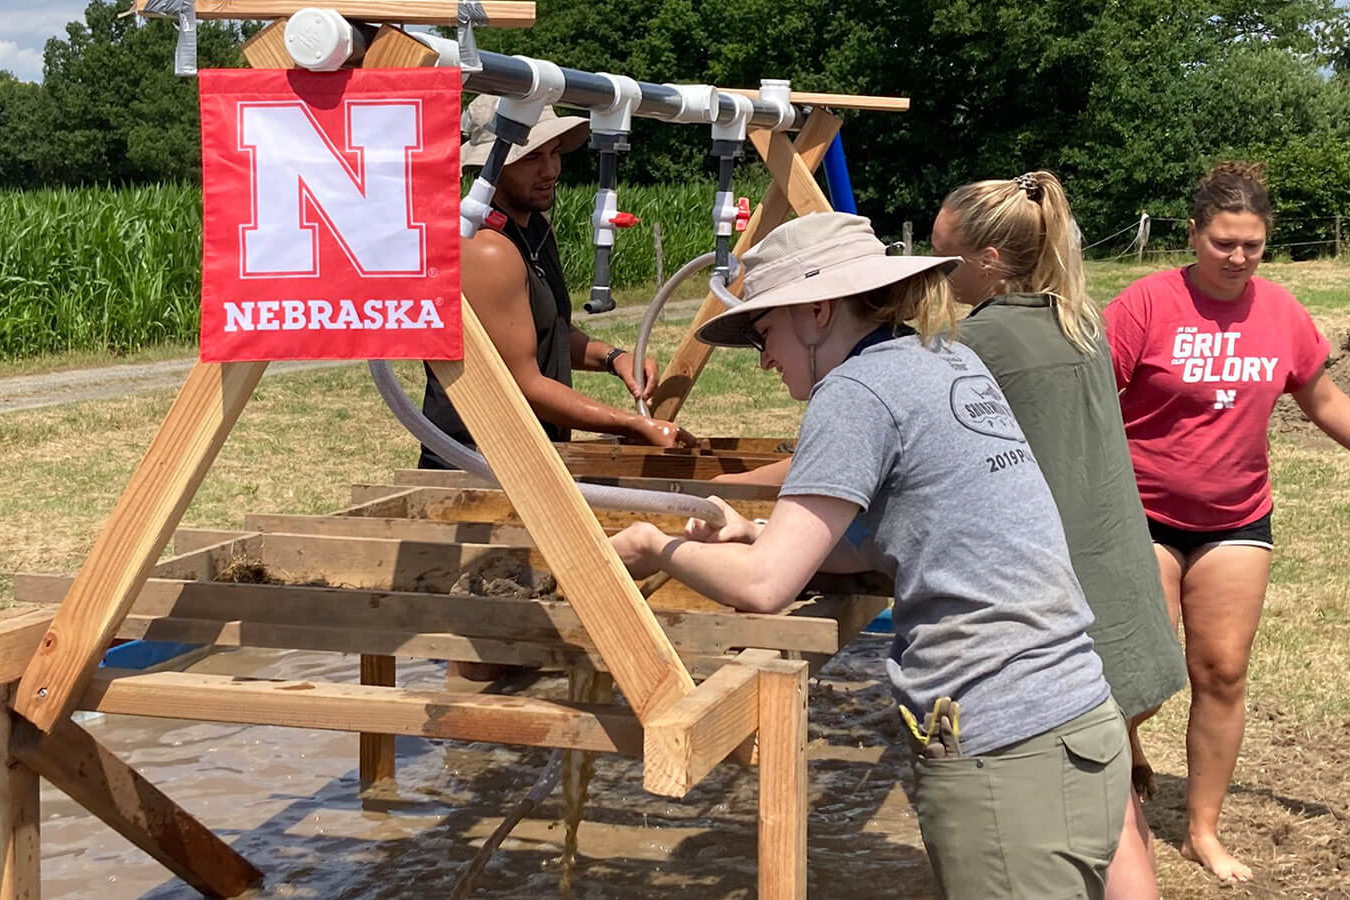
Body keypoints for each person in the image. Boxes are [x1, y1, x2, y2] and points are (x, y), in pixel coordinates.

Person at [611, 212, 1129, 899]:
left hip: (1004, 745)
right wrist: (757, 531)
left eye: (766, 333)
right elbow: (915, 531)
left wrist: (657, 544)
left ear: (819, 311)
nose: (765, 360)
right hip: (1075, 721)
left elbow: (764, 588)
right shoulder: (941, 358)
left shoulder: (855, 392)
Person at [1106, 161, 1350, 883]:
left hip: (1236, 516)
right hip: (1144, 511)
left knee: (1221, 671)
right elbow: (1093, 396)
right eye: (1223, 242)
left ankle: (1202, 830)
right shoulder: (1145, 306)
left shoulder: (1280, 313)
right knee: (1147, 674)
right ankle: (1120, 758)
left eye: (1252, 245)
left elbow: (1320, 397)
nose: (1237, 258)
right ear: (1193, 235)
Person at [930, 171, 1185, 900]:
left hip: (1069, 610)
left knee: (1087, 827)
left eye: (947, 262)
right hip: (1125, 596)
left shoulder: (979, 344)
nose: (939, 277)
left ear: (988, 261)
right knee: (1116, 809)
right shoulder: (1077, 317)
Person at [418, 95, 696, 469]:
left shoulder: (534, 229)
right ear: (490, 166)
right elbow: (525, 384)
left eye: (553, 153)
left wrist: (613, 359)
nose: (550, 170)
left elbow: (549, 333)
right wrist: (635, 423)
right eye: (532, 158)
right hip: (474, 467)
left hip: (528, 458)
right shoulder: (486, 249)